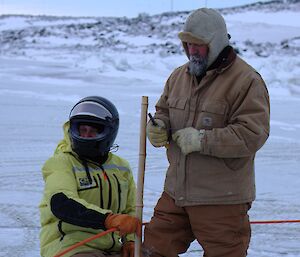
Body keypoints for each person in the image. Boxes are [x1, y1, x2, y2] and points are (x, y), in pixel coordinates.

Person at [143, 8, 270, 257]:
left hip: (221, 200)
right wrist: (159, 126)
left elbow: (252, 134)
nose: (192, 51)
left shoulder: (246, 81)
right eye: (187, 44)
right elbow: (163, 111)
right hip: (176, 193)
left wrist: (202, 140)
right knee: (151, 251)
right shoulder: (178, 76)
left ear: (217, 43)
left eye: (198, 45)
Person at [39, 96, 141, 257]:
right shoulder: (61, 163)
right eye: (82, 130)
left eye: (93, 131)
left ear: (108, 132)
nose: (86, 136)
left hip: (112, 247)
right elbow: (62, 202)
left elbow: (131, 210)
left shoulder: (121, 167)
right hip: (71, 246)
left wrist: (130, 240)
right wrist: (108, 219)